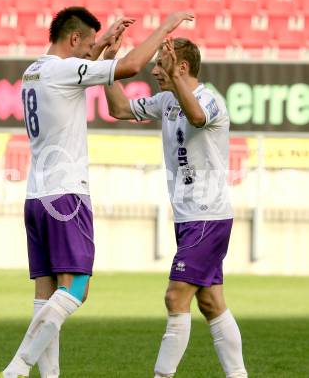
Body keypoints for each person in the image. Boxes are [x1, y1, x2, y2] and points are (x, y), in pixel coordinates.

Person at [0, 7, 194, 378]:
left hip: (36, 195)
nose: (91, 50)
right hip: (66, 196)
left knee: (46, 294)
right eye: (87, 43)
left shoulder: (33, 71)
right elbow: (132, 67)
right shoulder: (65, 70)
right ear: (74, 39)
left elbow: (86, 59)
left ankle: (47, 375)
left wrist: (103, 46)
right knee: (78, 287)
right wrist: (166, 25)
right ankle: (17, 367)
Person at [103, 37, 248, 378]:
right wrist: (107, 71)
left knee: (174, 297)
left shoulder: (209, 100)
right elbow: (120, 109)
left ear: (181, 67)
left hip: (207, 217)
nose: (154, 71)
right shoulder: (167, 100)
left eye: (161, 64)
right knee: (211, 304)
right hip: (188, 219)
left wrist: (176, 82)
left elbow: (197, 118)